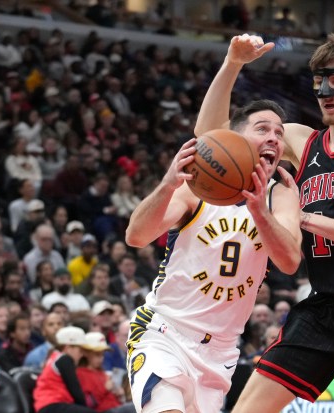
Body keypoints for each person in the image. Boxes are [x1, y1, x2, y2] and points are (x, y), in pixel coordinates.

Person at [195, 33, 334, 412]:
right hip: (321, 305)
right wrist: (232, 64)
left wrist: (303, 218)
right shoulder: (301, 141)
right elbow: (209, 137)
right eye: (320, 83)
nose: (326, 93)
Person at [123, 75, 302, 413]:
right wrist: (166, 185)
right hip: (165, 331)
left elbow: (290, 262)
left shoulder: (282, 195)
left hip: (220, 351)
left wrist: (259, 212)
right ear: (233, 140)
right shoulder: (198, 186)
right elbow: (136, 236)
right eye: (263, 129)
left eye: (279, 133)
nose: (274, 138)